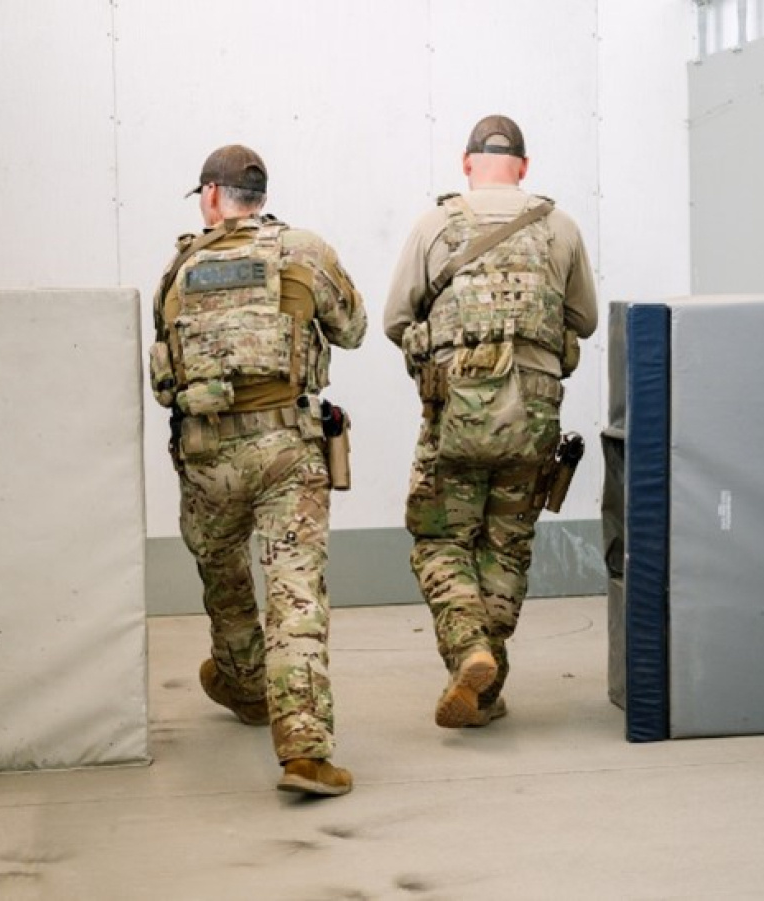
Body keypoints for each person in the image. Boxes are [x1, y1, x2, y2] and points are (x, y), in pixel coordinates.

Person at [150, 144, 366, 795]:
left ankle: (244, 685)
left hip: (207, 451)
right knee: (294, 592)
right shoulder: (305, 252)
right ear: (261, 195)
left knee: (225, 576)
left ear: (212, 197)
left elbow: (165, 372)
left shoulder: (181, 268)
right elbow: (352, 328)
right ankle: (304, 750)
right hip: (287, 450)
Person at [384, 115, 598, 729]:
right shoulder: (560, 227)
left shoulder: (435, 224)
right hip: (532, 413)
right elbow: (582, 320)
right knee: (507, 543)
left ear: (466, 161)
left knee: (441, 540)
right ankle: (485, 686)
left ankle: (469, 649)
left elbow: (397, 319)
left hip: (455, 412)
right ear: (524, 166)